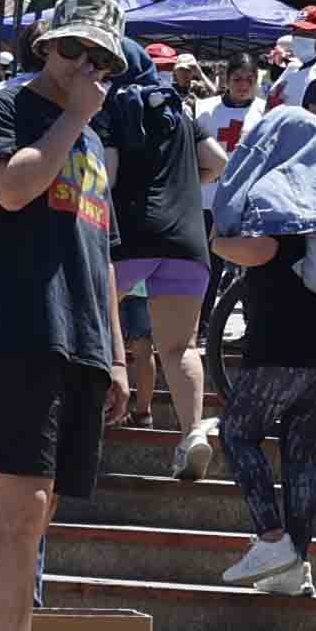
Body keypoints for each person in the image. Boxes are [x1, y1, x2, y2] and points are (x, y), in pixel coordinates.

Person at [0, 0, 132, 631]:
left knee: (36, 514)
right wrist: (74, 118)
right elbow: (11, 186)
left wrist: (119, 354)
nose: (83, 68)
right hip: (21, 329)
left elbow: (103, 253)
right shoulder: (3, 112)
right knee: (18, 510)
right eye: (71, 51)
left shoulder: (88, 144)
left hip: (82, 337)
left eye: (99, 59)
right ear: (44, 47)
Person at [211, 62, 316, 600]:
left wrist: (217, 244)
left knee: (237, 432)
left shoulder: (279, 188)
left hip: (283, 344)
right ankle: (298, 564)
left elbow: (260, 249)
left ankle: (272, 537)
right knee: (302, 449)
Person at [104, 35, 216, 438]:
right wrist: (186, 183)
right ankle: (193, 434)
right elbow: (217, 162)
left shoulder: (114, 106)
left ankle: (82, 419)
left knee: (90, 319)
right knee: (180, 348)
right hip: (187, 241)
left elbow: (108, 175)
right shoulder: (181, 111)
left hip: (131, 237)